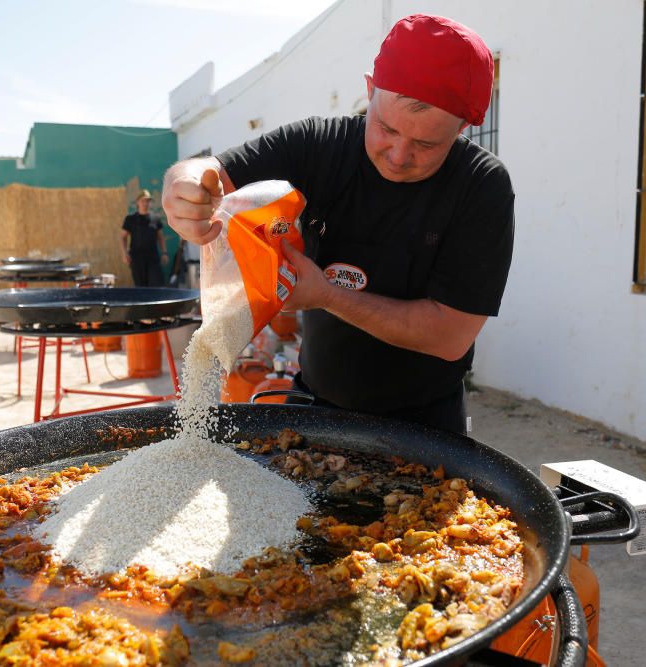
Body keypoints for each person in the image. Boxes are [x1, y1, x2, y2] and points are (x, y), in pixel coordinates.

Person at [162, 14, 514, 433]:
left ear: (461, 128)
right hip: (314, 403)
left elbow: (449, 335)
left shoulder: (481, 187)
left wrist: (326, 295)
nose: (399, 156)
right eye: (386, 127)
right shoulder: (319, 145)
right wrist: (183, 186)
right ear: (369, 89)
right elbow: (212, 170)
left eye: (426, 144)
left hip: (425, 426)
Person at [120, 190, 168, 287]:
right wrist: (124, 253)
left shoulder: (155, 218)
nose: (145, 203)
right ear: (137, 202)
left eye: (147, 201)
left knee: (156, 284)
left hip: (153, 258)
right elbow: (123, 237)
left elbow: (161, 237)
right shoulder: (130, 219)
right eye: (143, 201)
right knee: (141, 287)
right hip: (136, 259)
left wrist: (164, 253)